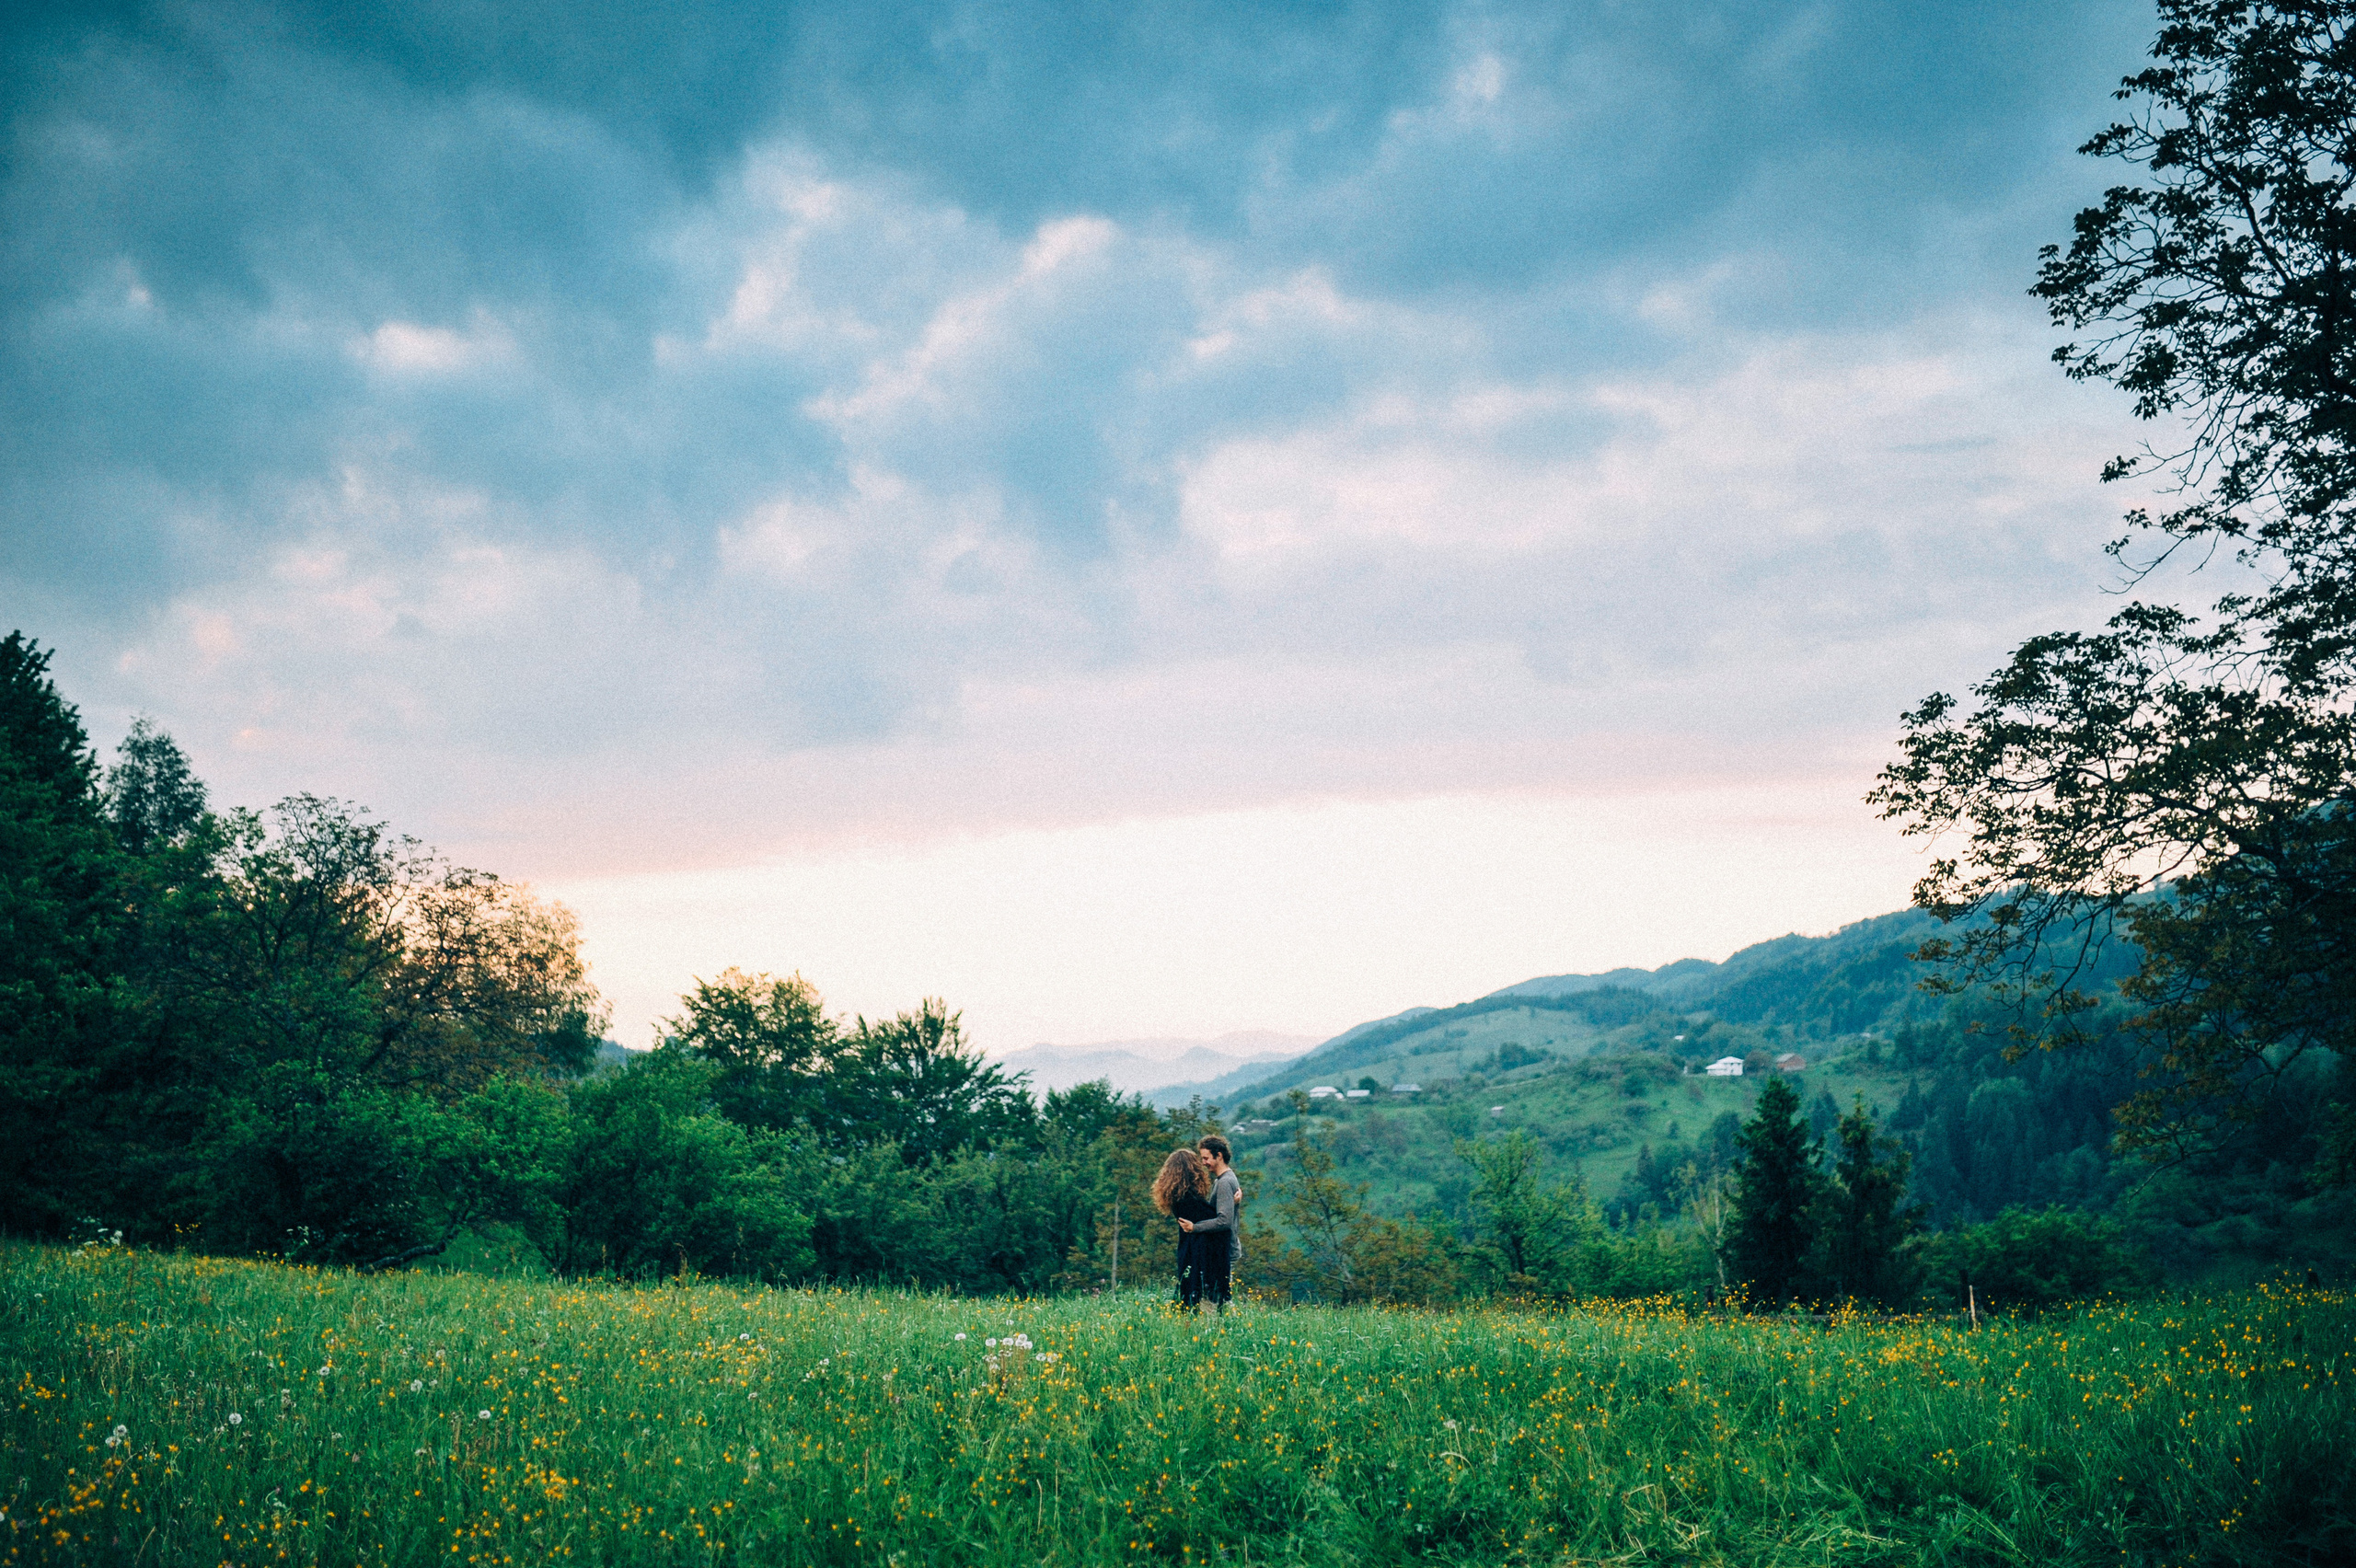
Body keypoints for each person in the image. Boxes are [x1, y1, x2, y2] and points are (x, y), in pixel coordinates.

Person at [1150, 1147, 1218, 1311]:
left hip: (1187, 1245)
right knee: (1193, 1288)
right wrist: (1232, 1203)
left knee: (1186, 1287)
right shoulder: (1188, 1197)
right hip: (1195, 1248)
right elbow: (1215, 1218)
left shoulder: (1177, 1196)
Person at [1194, 1135, 1242, 1307]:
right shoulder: (1226, 1179)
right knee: (1221, 1296)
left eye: (1206, 1158)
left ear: (1219, 1156)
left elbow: (1224, 1221)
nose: (1204, 1162)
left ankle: (1230, 1321)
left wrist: (1195, 1227)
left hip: (1225, 1249)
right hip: (1226, 1247)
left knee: (1220, 1297)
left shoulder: (1224, 1183)